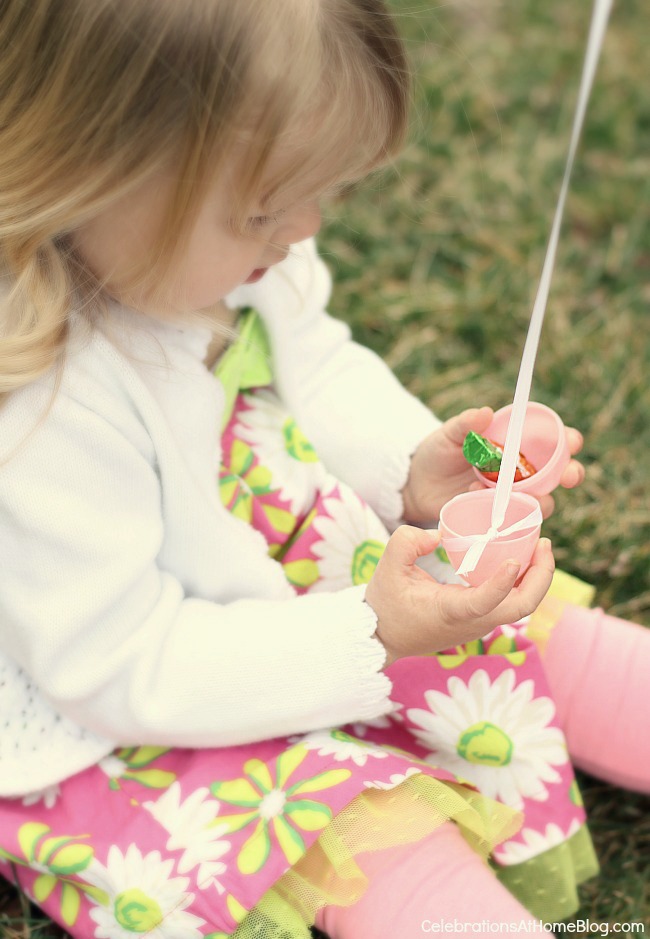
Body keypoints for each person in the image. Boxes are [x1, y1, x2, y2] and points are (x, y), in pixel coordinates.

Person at [0, 2, 647, 937]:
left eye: (317, 193)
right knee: (359, 835)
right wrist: (372, 630)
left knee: (527, 639)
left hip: (281, 569)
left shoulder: (215, 246)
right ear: (79, 174)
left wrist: (410, 469)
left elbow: (323, 362)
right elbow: (120, 666)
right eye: (265, 207)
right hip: (134, 704)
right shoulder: (41, 406)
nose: (302, 227)